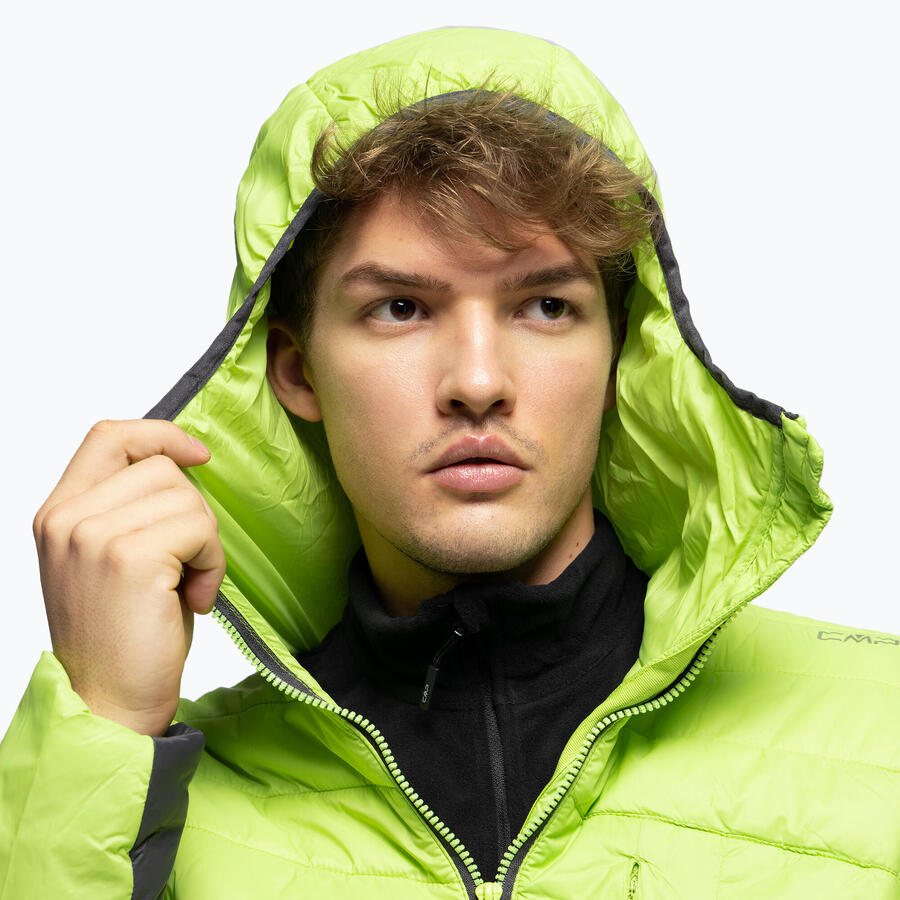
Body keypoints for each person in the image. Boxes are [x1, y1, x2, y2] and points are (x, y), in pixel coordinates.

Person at [2, 25, 898, 899]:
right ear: (297, 372)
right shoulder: (149, 799)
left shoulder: (883, 725)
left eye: (545, 306)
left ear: (622, 354)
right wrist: (103, 725)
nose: (477, 383)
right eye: (400, 308)